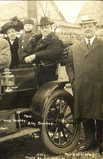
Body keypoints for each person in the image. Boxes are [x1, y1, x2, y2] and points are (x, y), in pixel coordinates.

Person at [66, 15, 103, 155]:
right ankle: (89, 142)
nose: (87, 29)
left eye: (90, 26)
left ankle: (101, 142)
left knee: (100, 116)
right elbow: (69, 66)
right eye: (84, 27)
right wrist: (73, 81)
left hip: (99, 87)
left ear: (96, 28)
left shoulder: (102, 44)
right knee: (86, 115)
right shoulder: (74, 48)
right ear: (81, 29)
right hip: (81, 87)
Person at [20, 17, 63, 85]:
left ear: (51, 28)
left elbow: (53, 52)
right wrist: (25, 57)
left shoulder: (55, 40)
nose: (44, 30)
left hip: (47, 72)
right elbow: (24, 51)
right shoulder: (35, 39)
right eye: (42, 28)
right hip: (32, 71)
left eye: (46, 27)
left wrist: (35, 56)